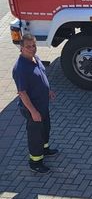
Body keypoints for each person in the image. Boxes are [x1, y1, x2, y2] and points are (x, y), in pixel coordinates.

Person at [12, 34, 58, 174]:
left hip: (42, 105)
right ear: (21, 48)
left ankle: (45, 149)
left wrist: (48, 91)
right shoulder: (20, 68)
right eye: (28, 46)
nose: (32, 49)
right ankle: (35, 162)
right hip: (33, 108)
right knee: (35, 135)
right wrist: (33, 111)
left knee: (45, 128)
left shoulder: (35, 59)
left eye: (34, 46)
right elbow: (22, 93)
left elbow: (40, 77)